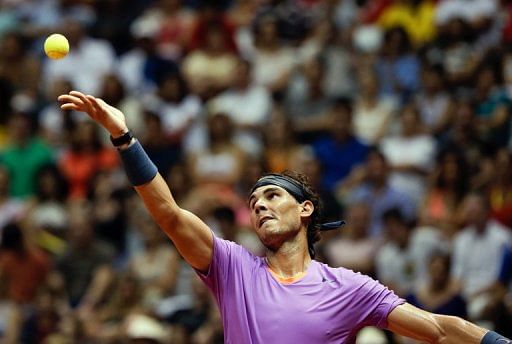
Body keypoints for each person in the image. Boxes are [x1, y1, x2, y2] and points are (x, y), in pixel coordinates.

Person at [58, 90, 510, 344]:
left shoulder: (349, 288)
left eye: (272, 196)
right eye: (254, 201)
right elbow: (170, 216)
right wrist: (124, 137)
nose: (259, 205)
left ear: (306, 209)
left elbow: (438, 329)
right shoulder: (233, 268)